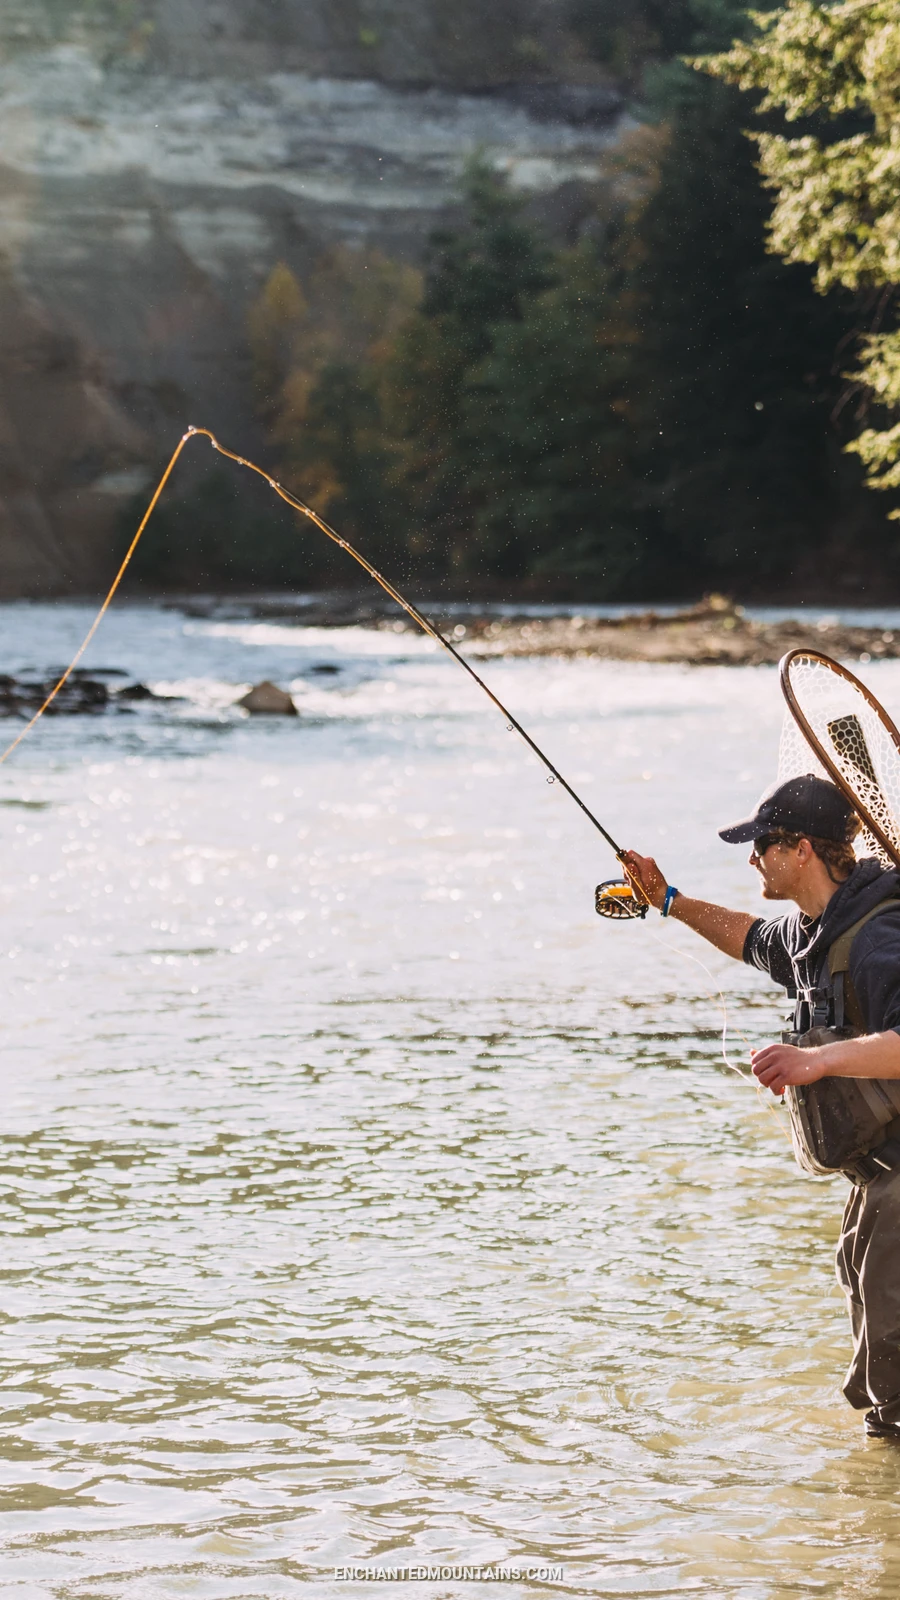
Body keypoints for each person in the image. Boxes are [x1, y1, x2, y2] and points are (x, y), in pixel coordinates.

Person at [624, 773, 900, 1440]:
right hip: (876, 1175)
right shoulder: (815, 932)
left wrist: (817, 1061)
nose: (752, 859)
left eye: (763, 845)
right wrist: (668, 899)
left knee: (896, 1379)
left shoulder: (877, 939)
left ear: (802, 850)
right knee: (879, 1359)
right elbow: (747, 937)